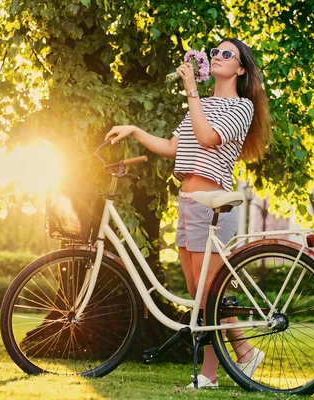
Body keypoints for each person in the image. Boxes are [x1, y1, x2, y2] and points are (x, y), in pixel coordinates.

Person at [105, 38, 272, 389]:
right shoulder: (203, 103)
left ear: (240, 68)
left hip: (212, 204)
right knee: (202, 295)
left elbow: (208, 137)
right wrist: (134, 130)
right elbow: (171, 146)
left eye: (227, 54)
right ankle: (243, 352)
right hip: (187, 204)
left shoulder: (241, 107)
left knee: (208, 295)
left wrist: (192, 91)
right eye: (215, 52)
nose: (217, 57)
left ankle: (210, 374)